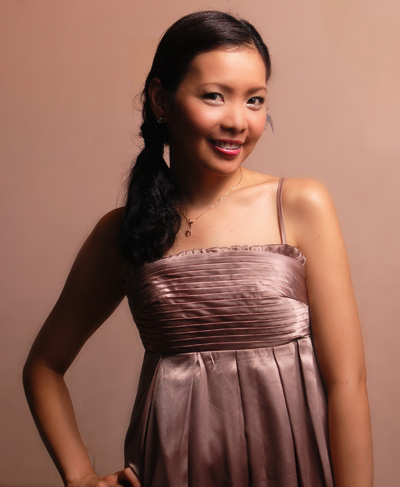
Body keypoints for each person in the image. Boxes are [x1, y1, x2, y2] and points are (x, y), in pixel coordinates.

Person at [23, 10, 373, 487]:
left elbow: (347, 383)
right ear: (161, 100)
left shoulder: (299, 203)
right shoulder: (122, 231)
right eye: (214, 96)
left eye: (254, 100)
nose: (238, 121)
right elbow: (43, 367)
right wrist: (80, 475)